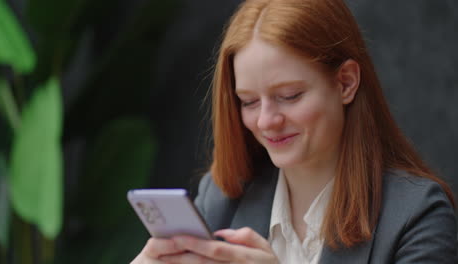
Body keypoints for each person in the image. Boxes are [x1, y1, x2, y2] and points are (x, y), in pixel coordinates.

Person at [131, 0, 457, 263]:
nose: (266, 121)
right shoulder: (223, 198)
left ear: (346, 83)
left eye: (289, 96)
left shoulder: (416, 215)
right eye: (248, 102)